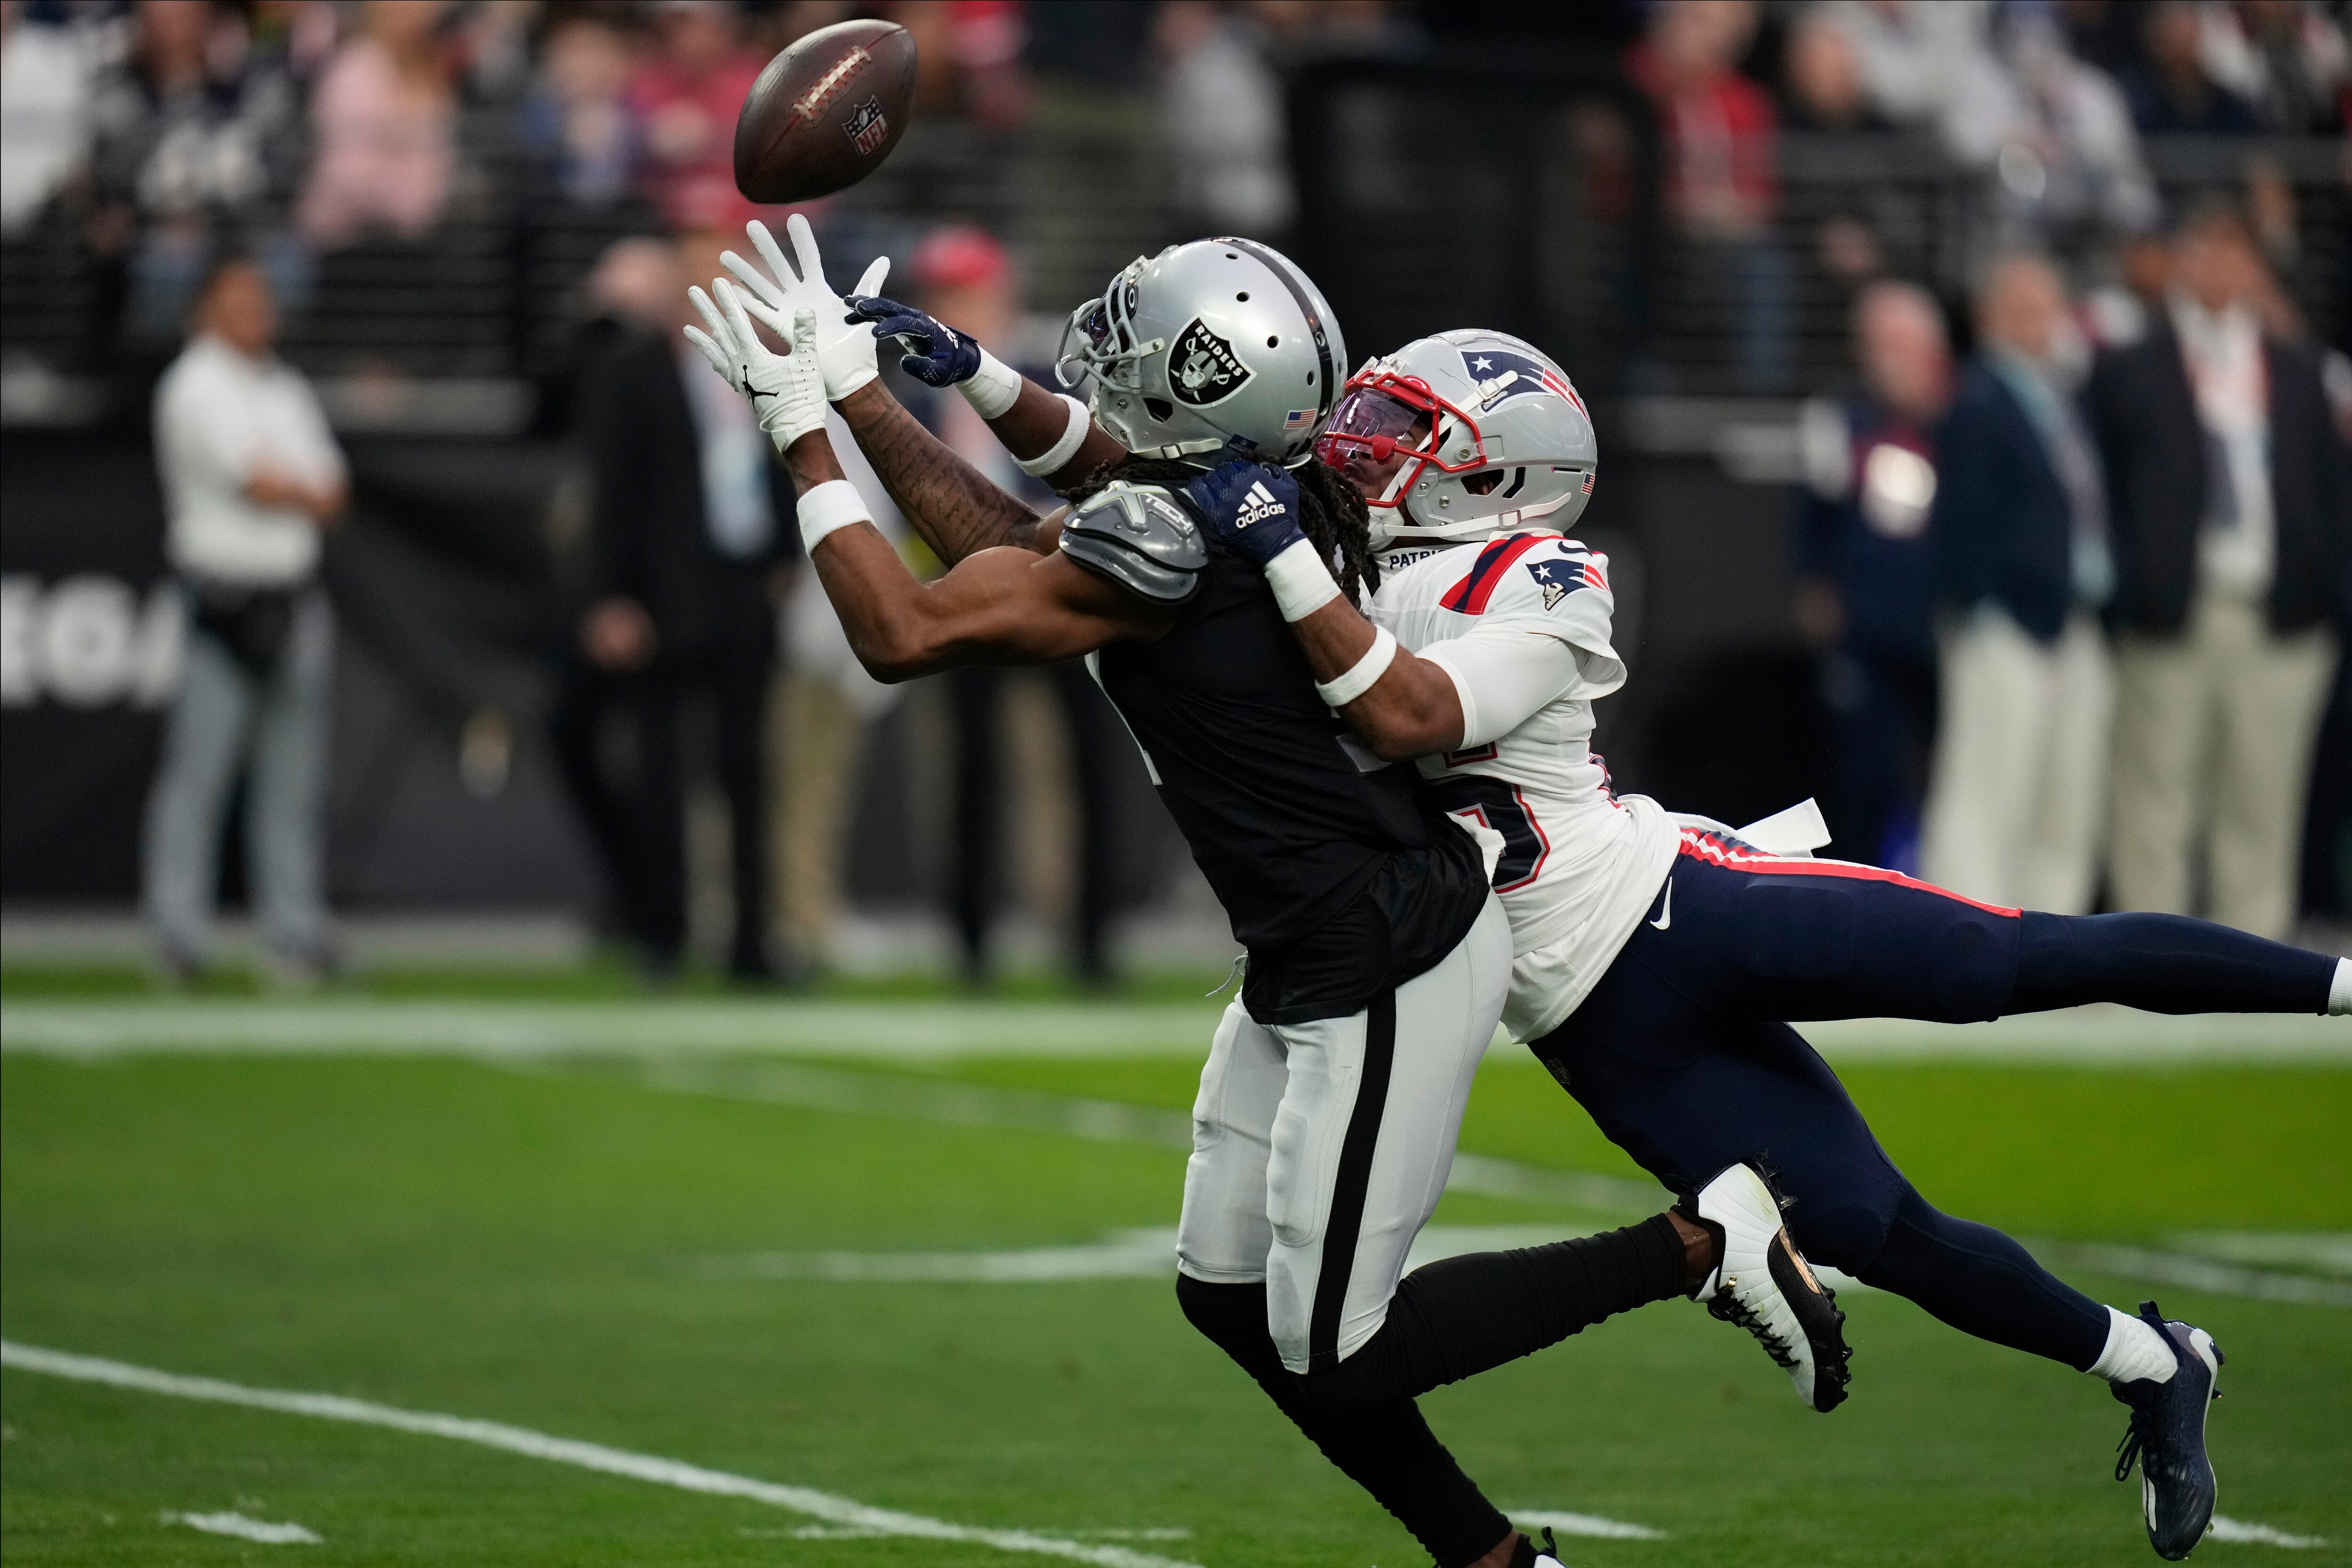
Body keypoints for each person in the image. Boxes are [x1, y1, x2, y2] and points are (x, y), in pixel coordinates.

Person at [689, 218, 1841, 1568]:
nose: (1105, 349)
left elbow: (907, 627)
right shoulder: (1223, 511)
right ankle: (1495, 1557)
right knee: (1227, 1299)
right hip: (1315, 939)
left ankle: (1706, 1238)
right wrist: (895, 388)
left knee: (1345, 1346)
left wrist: (805, 430)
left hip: (1395, 952)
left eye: (1142, 333)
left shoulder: (1188, 541)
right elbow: (1020, 532)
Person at [1196, 325, 2350, 1562]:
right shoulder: (1340, 559)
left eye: (1407, 433)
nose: (1365, 451)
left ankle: (2339, 985)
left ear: (1497, 472)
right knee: (1862, 1223)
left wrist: (1273, 551)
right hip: (1583, 1013)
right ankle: (2152, 1359)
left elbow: (1415, 704)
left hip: (1681, 907)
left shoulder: (1541, 572)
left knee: (2012, 962)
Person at [2088, 204, 2349, 941]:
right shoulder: (2133, 367)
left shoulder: (2298, 370)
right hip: (2175, 608)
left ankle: (2254, 960)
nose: (2222, 269)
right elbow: (2105, 486)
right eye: (2206, 252)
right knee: (2155, 799)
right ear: (2180, 262)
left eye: (2237, 254)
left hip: (2279, 615)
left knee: (2263, 802)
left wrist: (2323, 589)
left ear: (2256, 269)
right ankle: (2152, 957)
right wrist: (2133, 588)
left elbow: (2329, 490)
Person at [874, 225, 1127, 983]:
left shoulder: (1052, 377)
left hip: (1063, 586)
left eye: (964, 290)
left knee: (1089, 767)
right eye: (941, 292)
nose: (951, 306)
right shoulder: (913, 393)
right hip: (967, 596)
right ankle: (971, 940)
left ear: (998, 293)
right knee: (967, 773)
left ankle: (1090, 939)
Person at [580, 228, 797, 981]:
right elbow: (612, 493)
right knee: (663, 771)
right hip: (666, 595)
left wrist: (783, 559)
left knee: (749, 772)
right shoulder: (634, 371)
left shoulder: (757, 365)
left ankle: (751, 944)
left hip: (743, 586)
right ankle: (664, 935)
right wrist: (611, 598)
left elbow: (788, 460)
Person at [143, 254, 345, 984]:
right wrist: (295, 485)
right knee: (198, 778)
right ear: (205, 310)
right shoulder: (194, 384)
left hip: (292, 595)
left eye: (261, 297)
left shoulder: (284, 387)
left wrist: (291, 484)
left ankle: (293, 934)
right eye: (237, 298)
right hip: (222, 601)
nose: (255, 310)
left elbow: (332, 490)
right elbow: (259, 482)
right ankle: (177, 937)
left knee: (290, 784)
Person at [1918, 253, 2113, 915]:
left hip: (2073, 620)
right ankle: (1966, 936)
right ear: (1991, 319)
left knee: (2066, 796)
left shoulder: (2062, 399)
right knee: (1987, 791)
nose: (2040, 325)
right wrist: (1981, 609)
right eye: (2024, 310)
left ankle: (2050, 947)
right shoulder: (1979, 399)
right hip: (2006, 624)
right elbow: (1965, 523)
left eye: (2048, 309)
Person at [1793, 280, 1952, 870]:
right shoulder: (1840, 417)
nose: (1885, 356)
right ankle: (1858, 893)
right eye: (1875, 342)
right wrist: (1816, 591)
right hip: (1867, 627)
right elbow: (1814, 513)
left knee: (1949, 774)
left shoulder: (1963, 413)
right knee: (1863, 774)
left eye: (1899, 342)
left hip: (1945, 624)